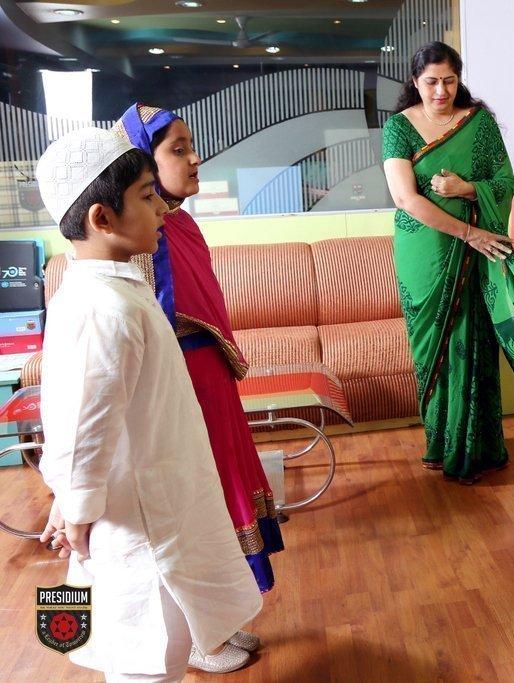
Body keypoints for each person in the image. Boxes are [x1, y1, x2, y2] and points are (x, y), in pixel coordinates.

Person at [35, 127, 262, 682]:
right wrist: (75, 507)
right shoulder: (100, 308)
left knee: (165, 630)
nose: (161, 206)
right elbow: (81, 425)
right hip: (138, 519)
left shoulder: (117, 288)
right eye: (145, 195)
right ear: (102, 219)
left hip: (160, 497)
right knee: (146, 647)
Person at [114, 103, 282, 672]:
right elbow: (147, 328)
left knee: (221, 495)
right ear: (143, 160)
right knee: (193, 505)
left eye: (191, 146)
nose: (193, 158)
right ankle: (198, 639)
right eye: (177, 149)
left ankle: (219, 622)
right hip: (180, 386)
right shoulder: (141, 236)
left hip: (209, 376)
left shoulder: (178, 221)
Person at [381, 42, 514, 484]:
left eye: (449, 80)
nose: (441, 91)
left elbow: (504, 181)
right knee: (431, 348)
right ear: (415, 82)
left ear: (459, 79)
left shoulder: (478, 123)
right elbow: (405, 198)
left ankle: (478, 448)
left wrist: (465, 189)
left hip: (474, 256)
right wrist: (470, 233)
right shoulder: (398, 127)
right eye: (431, 82)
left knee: (474, 341)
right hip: (425, 253)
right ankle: (441, 445)